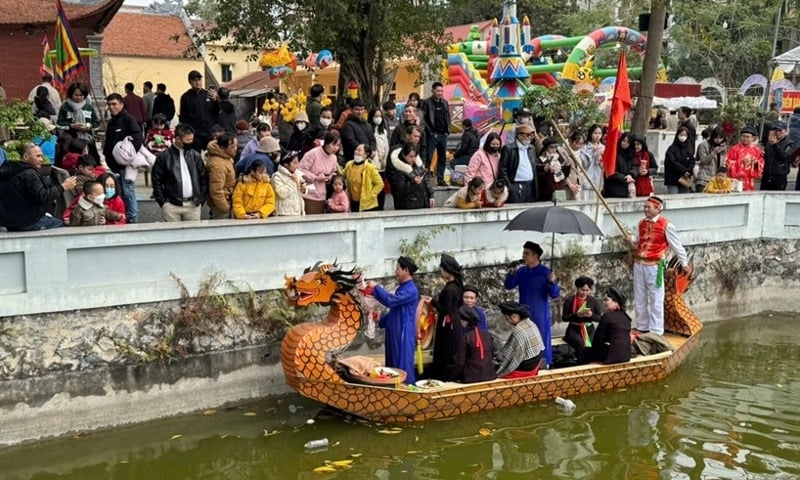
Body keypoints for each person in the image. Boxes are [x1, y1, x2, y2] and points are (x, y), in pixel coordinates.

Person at [631, 196, 688, 335]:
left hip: (654, 265)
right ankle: (642, 325)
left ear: (658, 209)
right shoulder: (641, 224)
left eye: (648, 207)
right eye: (644, 207)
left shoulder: (666, 225)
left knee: (656, 297)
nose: (645, 210)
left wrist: (684, 262)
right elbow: (638, 240)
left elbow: (677, 246)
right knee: (640, 296)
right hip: (639, 263)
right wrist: (630, 239)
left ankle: (656, 330)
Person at [504, 241, 560, 367]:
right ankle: (524, 364)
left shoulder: (546, 272)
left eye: (526, 254)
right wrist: (511, 273)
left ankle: (544, 364)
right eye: (523, 253)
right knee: (524, 338)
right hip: (523, 313)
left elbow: (555, 294)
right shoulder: (521, 271)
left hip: (540, 313)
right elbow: (509, 286)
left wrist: (552, 282)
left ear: (535, 256)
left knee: (541, 338)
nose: (523, 256)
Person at [368, 256, 420, 384]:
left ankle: (407, 388)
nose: (395, 272)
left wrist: (377, 288)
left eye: (397, 269)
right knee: (392, 362)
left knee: (402, 363)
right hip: (395, 330)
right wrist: (381, 320)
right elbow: (396, 310)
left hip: (402, 331)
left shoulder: (411, 290)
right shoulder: (403, 287)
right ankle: (392, 388)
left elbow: (392, 302)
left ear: (406, 270)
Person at [0, 143, 76, 231]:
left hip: (9, 221)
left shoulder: (10, 170)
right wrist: (63, 187)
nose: (41, 160)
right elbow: (43, 196)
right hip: (26, 221)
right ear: (26, 157)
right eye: (38, 156)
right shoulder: (29, 174)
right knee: (60, 224)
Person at [151, 123, 208, 222]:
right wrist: (163, 203)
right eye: (187, 140)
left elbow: (203, 178)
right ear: (177, 139)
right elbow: (156, 180)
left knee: (193, 236)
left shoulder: (195, 156)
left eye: (192, 140)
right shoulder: (164, 157)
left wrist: (201, 199)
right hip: (171, 205)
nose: (190, 142)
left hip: (193, 205)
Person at [103, 93, 144, 223]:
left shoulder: (129, 119)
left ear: (121, 104)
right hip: (114, 165)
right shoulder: (111, 122)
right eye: (109, 105)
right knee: (119, 192)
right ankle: (124, 216)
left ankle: (132, 218)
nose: (111, 107)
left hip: (126, 165)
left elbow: (138, 139)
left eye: (114, 104)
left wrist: (127, 156)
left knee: (128, 192)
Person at [429, 254, 465, 380]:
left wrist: (432, 302)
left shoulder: (450, 289)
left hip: (448, 322)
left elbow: (445, 310)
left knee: (446, 348)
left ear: (448, 271)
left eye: (443, 270)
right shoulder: (457, 286)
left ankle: (445, 376)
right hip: (454, 320)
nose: (441, 272)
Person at [494, 301, 545, 378]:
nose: (507, 321)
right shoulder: (530, 323)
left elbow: (515, 358)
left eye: (507, 319)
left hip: (526, 370)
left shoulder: (519, 330)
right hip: (536, 363)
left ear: (514, 316)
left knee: (498, 370)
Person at [581, 288, 632, 365]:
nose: (605, 303)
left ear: (616, 303)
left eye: (607, 300)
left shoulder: (607, 317)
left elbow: (597, 340)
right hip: (626, 356)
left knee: (585, 351)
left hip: (612, 357)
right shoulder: (627, 318)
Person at [448, 305, 496, 383]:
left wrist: (451, 377)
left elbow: (459, 363)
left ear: (464, 321)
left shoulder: (466, 337)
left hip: (472, 378)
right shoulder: (488, 335)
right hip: (490, 376)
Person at [56, 82, 101, 162]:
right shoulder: (65, 107)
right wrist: (71, 126)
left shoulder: (88, 107)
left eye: (81, 95)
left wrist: (89, 126)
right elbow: (59, 124)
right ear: (71, 94)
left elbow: (96, 123)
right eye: (76, 95)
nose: (79, 98)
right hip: (70, 142)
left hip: (87, 140)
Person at [298, 130, 341, 214]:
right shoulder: (313, 153)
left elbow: (332, 172)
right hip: (309, 194)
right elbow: (301, 169)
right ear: (326, 143)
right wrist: (315, 178)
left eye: (338, 145)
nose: (336, 148)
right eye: (333, 145)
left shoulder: (334, 158)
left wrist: (328, 178)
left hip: (322, 195)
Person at [561, 276, 602, 361]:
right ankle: (581, 363)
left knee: (593, 345)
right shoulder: (569, 300)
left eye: (587, 290)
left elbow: (599, 318)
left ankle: (591, 363)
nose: (584, 293)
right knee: (580, 344)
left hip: (589, 328)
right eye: (582, 290)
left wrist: (591, 315)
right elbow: (564, 318)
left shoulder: (593, 301)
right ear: (577, 288)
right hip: (574, 329)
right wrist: (576, 315)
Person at [179, 70, 219, 150]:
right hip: (195, 134)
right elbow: (183, 116)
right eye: (195, 80)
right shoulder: (186, 97)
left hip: (209, 132)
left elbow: (216, 112)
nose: (198, 83)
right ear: (190, 82)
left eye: (199, 80)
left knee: (210, 155)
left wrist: (215, 101)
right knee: (196, 157)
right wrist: (188, 131)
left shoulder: (208, 94)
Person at [421, 82, 451, 185]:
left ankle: (441, 179)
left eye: (441, 91)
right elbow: (423, 119)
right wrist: (430, 132)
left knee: (442, 158)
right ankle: (426, 179)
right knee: (428, 157)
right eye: (438, 91)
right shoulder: (426, 103)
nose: (440, 93)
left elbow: (448, 116)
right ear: (432, 90)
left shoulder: (445, 103)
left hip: (443, 134)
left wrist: (448, 130)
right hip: (432, 134)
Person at [499, 123, 538, 203]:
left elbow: (534, 165)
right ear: (519, 136)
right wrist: (510, 186)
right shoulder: (508, 149)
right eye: (527, 135)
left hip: (530, 185)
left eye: (531, 135)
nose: (530, 137)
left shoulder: (531, 148)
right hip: (516, 185)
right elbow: (502, 169)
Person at [388, 143, 434, 210]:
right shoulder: (398, 169)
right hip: (408, 205)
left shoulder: (419, 166)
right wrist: (413, 183)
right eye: (411, 156)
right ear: (404, 155)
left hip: (423, 202)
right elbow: (401, 190)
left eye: (415, 156)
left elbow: (427, 182)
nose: (413, 159)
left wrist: (431, 195)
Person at [342, 143, 382, 212]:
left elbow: (380, 184)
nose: (356, 152)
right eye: (356, 150)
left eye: (359, 150)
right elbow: (343, 174)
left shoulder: (370, 168)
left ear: (366, 155)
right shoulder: (349, 165)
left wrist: (371, 195)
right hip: (353, 201)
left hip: (367, 204)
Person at [205, 132, 237, 219]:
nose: (235, 149)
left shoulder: (226, 158)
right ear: (222, 148)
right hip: (221, 205)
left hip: (227, 201)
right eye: (232, 147)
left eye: (236, 146)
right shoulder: (218, 165)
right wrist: (225, 207)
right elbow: (216, 190)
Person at [537, 137, 578, 201]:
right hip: (547, 191)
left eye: (555, 147)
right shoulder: (541, 160)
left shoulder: (558, 159)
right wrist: (548, 171)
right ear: (546, 148)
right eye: (551, 147)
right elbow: (541, 178)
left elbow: (564, 175)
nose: (554, 149)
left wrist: (567, 166)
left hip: (559, 188)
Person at [726, 126, 764, 192]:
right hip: (736, 179)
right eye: (743, 136)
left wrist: (755, 162)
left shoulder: (756, 150)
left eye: (748, 137)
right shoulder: (734, 149)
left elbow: (761, 162)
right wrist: (741, 163)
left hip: (749, 179)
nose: (745, 138)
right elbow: (728, 162)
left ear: (752, 138)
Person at [272, 150, 307, 216]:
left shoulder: (297, 173)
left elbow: (302, 194)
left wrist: (304, 189)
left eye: (298, 162)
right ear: (286, 164)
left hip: (298, 212)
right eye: (294, 163)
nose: (297, 165)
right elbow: (282, 194)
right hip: (283, 214)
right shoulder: (277, 176)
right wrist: (292, 181)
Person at [762, 121, 794, 191]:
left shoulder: (790, 144)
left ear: (786, 132)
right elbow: (766, 157)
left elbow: (785, 156)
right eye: (776, 130)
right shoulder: (769, 142)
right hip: (767, 175)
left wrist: (775, 145)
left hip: (780, 177)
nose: (777, 132)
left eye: (780, 130)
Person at [695, 126, 727, 192]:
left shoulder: (723, 147)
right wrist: (714, 153)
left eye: (720, 138)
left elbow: (723, 163)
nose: (718, 140)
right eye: (716, 138)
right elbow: (703, 161)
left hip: (716, 180)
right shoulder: (704, 145)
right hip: (704, 178)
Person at [664, 126, 695, 194]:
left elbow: (692, 161)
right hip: (673, 179)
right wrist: (684, 170)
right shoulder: (671, 149)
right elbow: (672, 162)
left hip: (685, 179)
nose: (683, 137)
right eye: (681, 135)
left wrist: (688, 171)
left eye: (685, 135)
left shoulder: (688, 149)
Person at [603, 132, 635, 198]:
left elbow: (635, 166)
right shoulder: (614, 153)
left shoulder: (631, 154)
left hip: (626, 186)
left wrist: (631, 174)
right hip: (613, 186)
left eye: (627, 142)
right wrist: (624, 178)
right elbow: (611, 170)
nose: (625, 143)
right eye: (623, 141)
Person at [578, 124, 605, 201]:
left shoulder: (603, 148)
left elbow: (604, 166)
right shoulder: (584, 147)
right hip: (586, 179)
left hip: (598, 179)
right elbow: (583, 164)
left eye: (600, 133)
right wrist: (592, 154)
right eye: (595, 133)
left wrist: (600, 158)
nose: (597, 136)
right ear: (591, 134)